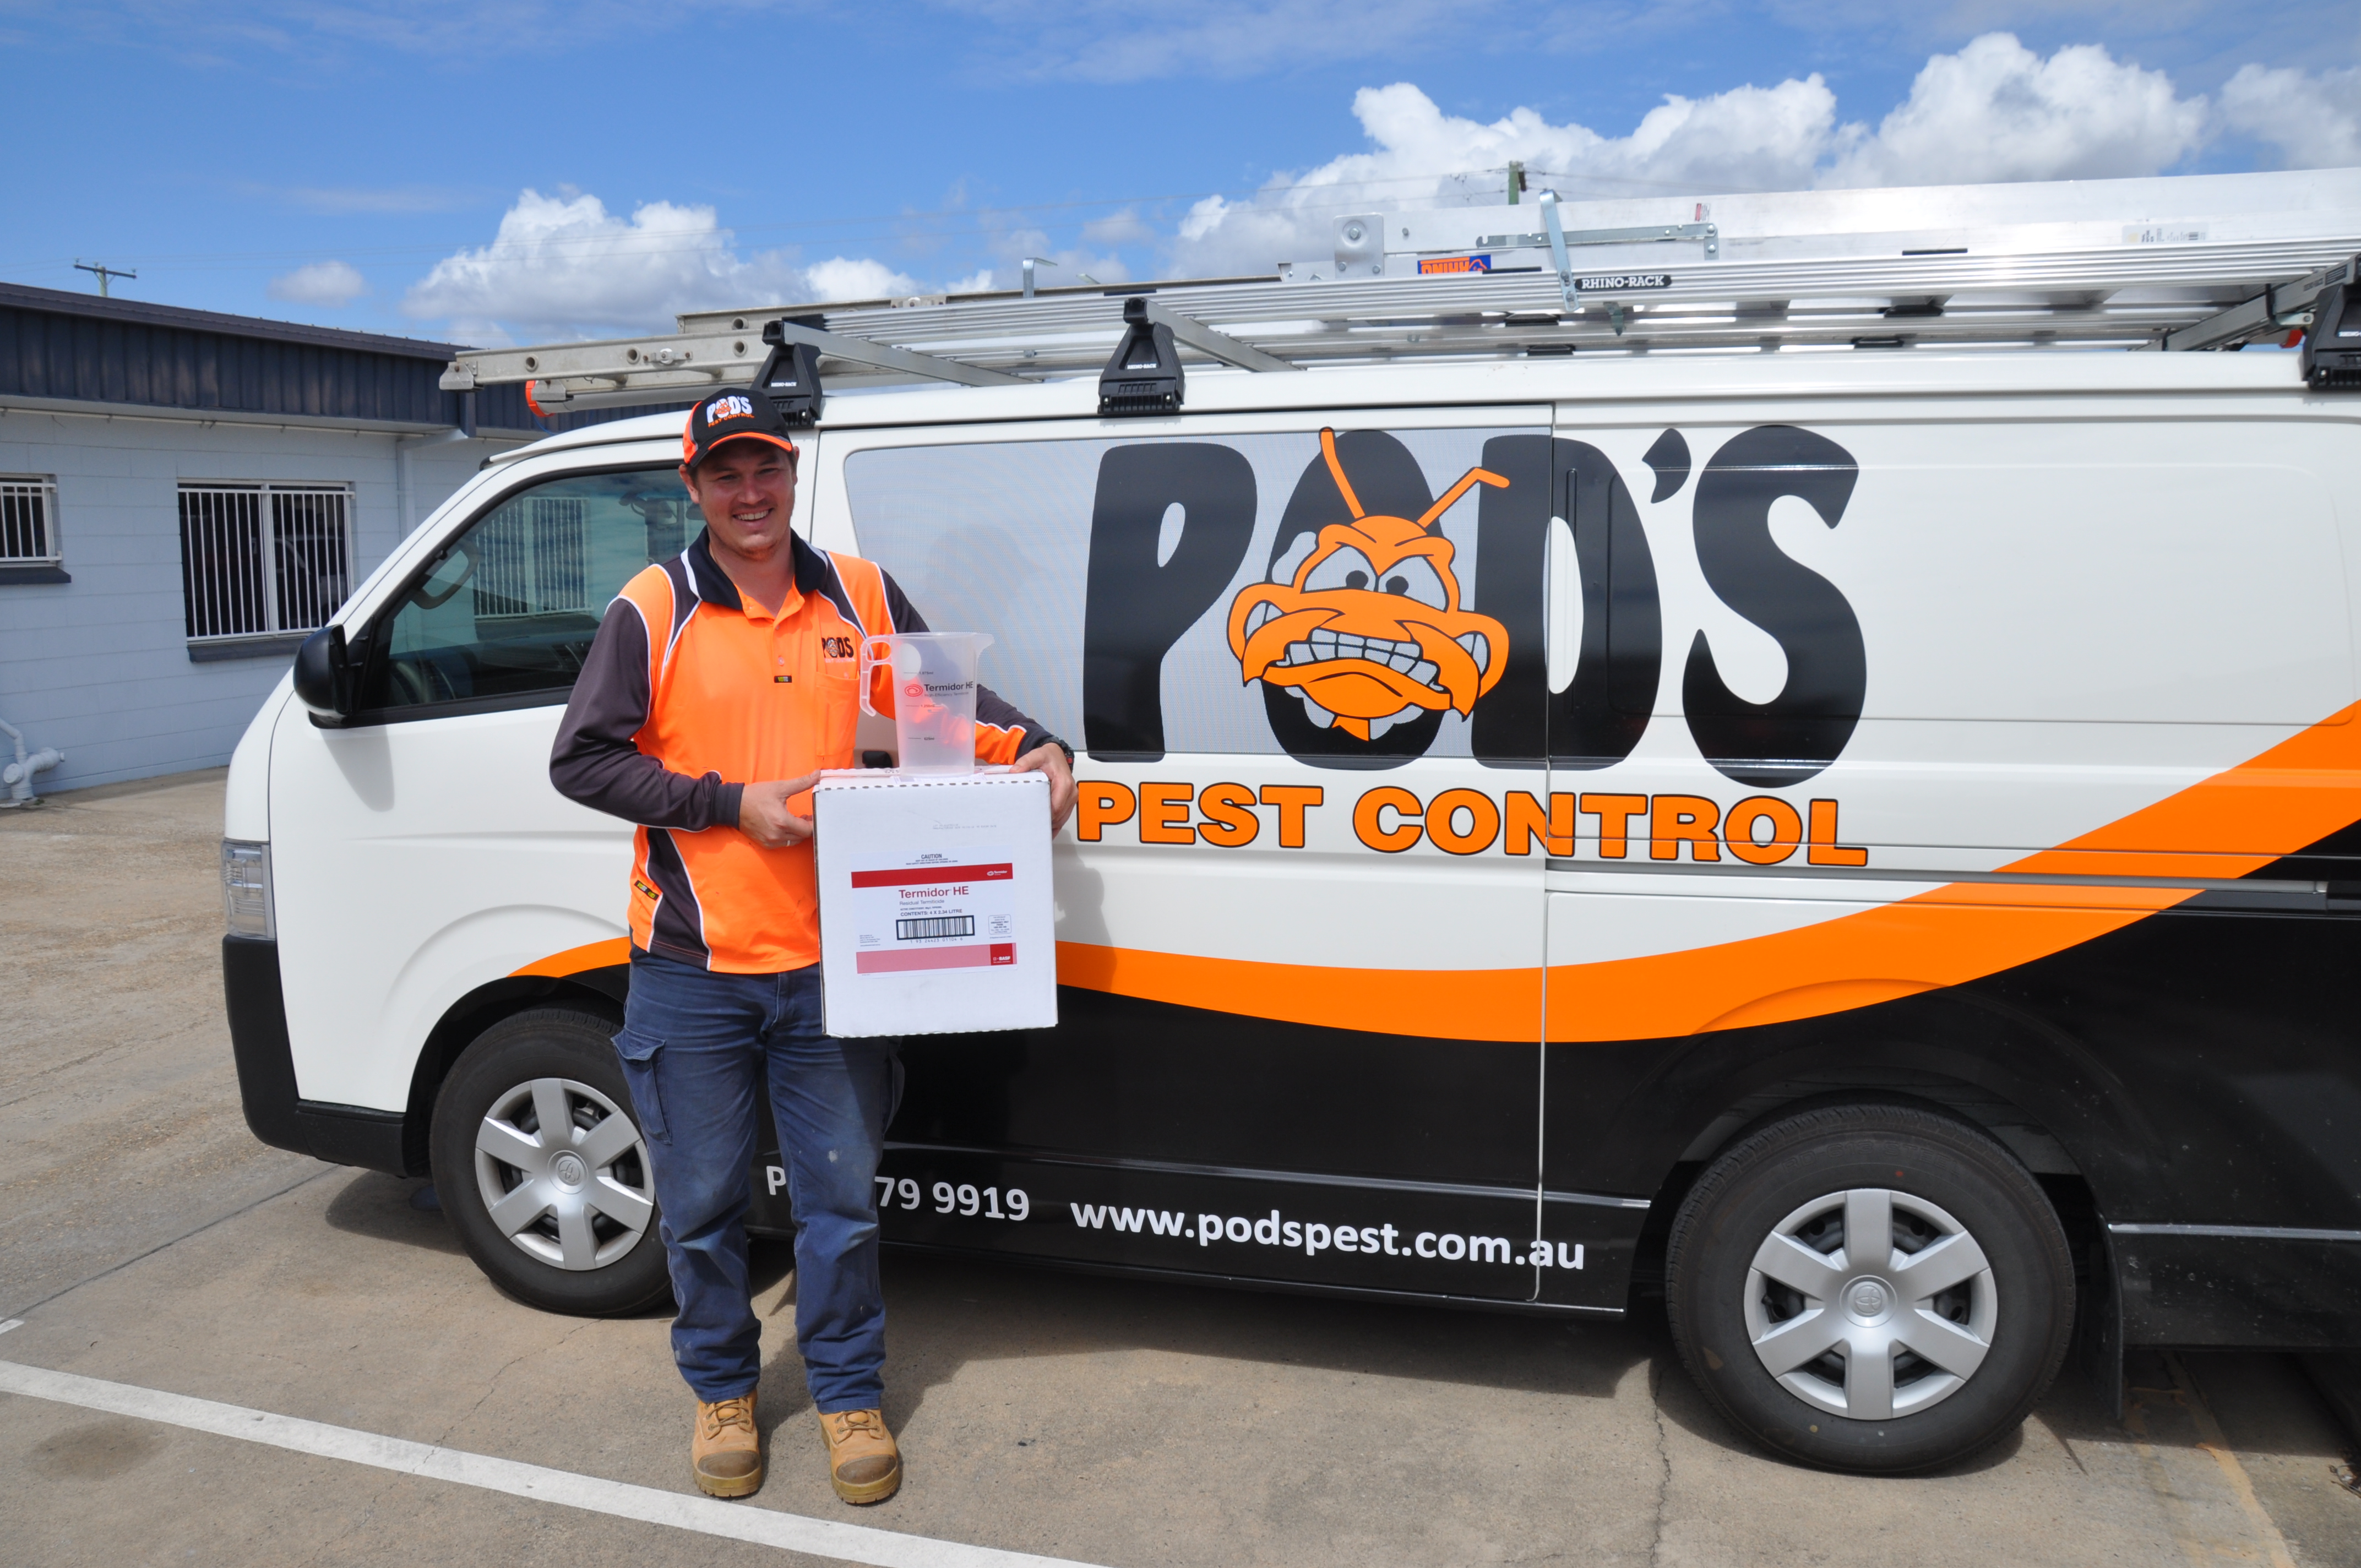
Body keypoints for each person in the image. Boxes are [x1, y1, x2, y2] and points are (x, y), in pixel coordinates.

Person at [550, 387, 1077, 1504]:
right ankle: (722, 1388)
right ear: (690, 487)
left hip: (840, 967)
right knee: (696, 1204)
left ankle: (845, 1395)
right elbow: (585, 759)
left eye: (767, 470)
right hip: (691, 967)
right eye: (726, 473)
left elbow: (944, 708)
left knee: (839, 1203)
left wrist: (1038, 751)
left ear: (792, 476)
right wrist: (732, 804)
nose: (751, 493)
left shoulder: (860, 591)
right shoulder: (655, 607)